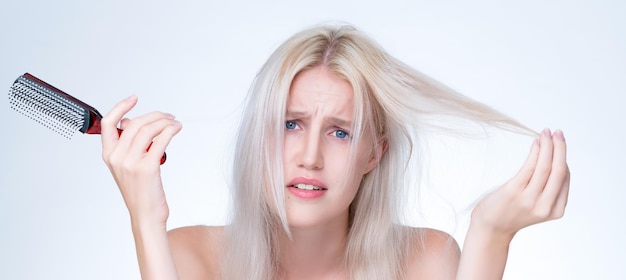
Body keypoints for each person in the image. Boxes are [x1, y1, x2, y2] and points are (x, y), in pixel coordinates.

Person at [100, 24, 570, 280]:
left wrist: (491, 235)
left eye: (340, 132)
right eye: (290, 124)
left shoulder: (426, 260)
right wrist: (144, 219)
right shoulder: (190, 256)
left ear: (374, 154)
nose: (309, 156)